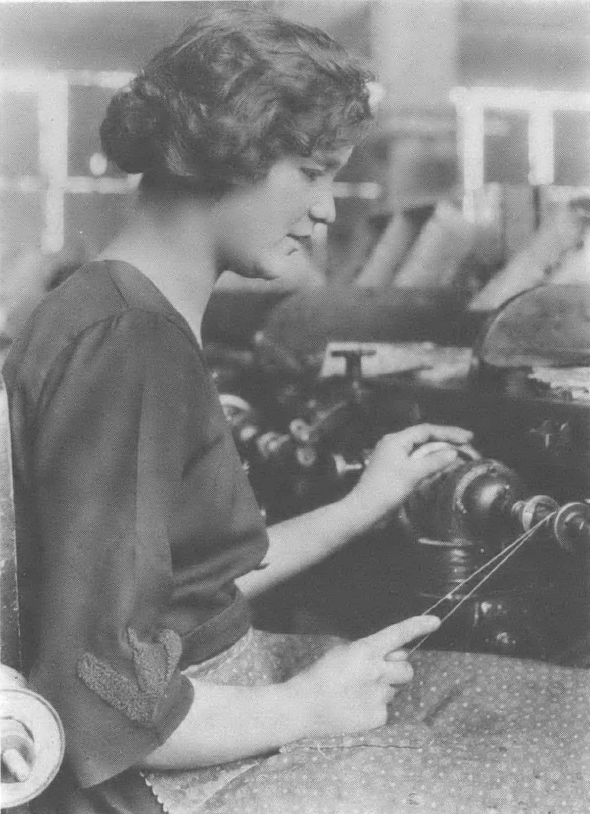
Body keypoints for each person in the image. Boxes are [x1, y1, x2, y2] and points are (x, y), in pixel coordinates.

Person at [2, 9, 476, 813]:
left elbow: (188, 585)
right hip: (155, 773)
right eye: (314, 170)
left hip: (199, 701)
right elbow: (100, 684)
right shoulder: (132, 343)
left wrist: (364, 503)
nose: (329, 209)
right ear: (228, 149)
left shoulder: (116, 308)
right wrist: (303, 706)